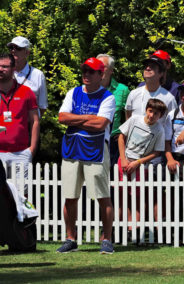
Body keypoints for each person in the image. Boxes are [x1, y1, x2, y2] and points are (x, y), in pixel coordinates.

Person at [57, 57, 116, 254]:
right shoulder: (73, 92)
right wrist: (88, 118)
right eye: (84, 71)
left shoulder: (108, 97)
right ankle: (70, 239)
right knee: (70, 196)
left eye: (91, 71)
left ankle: (107, 239)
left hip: (96, 150)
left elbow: (101, 124)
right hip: (72, 149)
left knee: (102, 196)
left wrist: (75, 120)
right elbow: (62, 117)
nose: (86, 75)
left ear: (101, 75)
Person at [118, 98, 167, 225]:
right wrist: (123, 159)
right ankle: (121, 225)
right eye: (150, 111)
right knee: (122, 194)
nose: (152, 115)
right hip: (124, 159)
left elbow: (157, 152)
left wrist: (138, 162)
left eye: (156, 113)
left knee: (137, 197)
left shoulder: (159, 130)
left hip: (140, 165)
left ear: (160, 115)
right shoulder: (134, 120)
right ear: (146, 110)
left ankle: (134, 226)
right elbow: (121, 137)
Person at [0, 53, 39, 190]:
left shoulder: (27, 92)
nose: (0, 69)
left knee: (22, 198)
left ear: (13, 68)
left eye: (4, 66)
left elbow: (35, 121)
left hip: (21, 153)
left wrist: (32, 149)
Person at [96, 54, 130, 166]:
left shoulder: (123, 90)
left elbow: (129, 117)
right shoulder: (88, 88)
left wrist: (122, 133)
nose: (99, 68)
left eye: (103, 66)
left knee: (112, 176)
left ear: (111, 70)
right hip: (92, 138)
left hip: (114, 142)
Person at [125, 56, 177, 124]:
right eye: (146, 66)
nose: (148, 68)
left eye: (153, 67)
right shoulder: (133, 94)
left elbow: (173, 124)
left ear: (161, 73)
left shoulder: (169, 99)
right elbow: (128, 119)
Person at [7, 36, 48, 117]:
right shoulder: (3, 72)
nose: (13, 50)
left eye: (18, 48)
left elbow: (42, 106)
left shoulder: (38, 75)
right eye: (11, 48)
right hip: (5, 124)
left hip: (28, 125)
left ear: (27, 53)